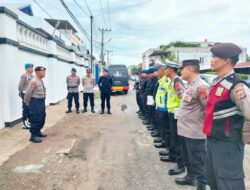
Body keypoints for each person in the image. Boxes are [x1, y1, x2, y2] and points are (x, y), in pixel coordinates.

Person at [203, 43, 250, 190]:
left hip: (228, 144)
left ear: (226, 60)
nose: (211, 59)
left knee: (229, 183)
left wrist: (244, 137)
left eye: (215, 56)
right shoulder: (217, 83)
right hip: (212, 140)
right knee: (213, 180)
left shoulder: (236, 86)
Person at [175, 59, 209, 190]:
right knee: (188, 159)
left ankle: (201, 186)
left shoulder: (202, 86)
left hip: (195, 134)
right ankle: (190, 177)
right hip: (185, 131)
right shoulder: (190, 85)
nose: (180, 72)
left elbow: (209, 110)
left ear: (189, 69)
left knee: (199, 164)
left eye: (182, 69)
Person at [161, 60, 186, 176]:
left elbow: (183, 98)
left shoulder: (177, 82)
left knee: (177, 139)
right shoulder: (172, 81)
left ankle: (181, 165)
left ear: (171, 69)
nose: (164, 70)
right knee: (173, 137)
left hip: (176, 114)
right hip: (171, 112)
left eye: (166, 68)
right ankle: (173, 156)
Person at [24, 66, 47, 143]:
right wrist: (27, 103)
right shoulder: (34, 81)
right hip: (35, 102)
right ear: (37, 72)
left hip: (41, 101)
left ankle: (38, 132)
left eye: (44, 71)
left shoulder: (40, 80)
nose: (44, 73)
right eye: (42, 71)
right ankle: (33, 136)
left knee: (42, 117)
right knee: (36, 118)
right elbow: (27, 93)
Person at [153, 63, 171, 150]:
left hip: (164, 108)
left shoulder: (167, 81)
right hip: (159, 107)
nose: (156, 72)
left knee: (166, 130)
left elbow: (169, 95)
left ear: (162, 70)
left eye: (158, 70)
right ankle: (163, 141)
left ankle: (168, 147)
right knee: (162, 128)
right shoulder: (161, 80)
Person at [18, 63, 34, 129]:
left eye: (32, 67)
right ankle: (24, 124)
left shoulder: (32, 76)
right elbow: (20, 87)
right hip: (25, 95)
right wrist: (23, 92)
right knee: (26, 108)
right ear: (27, 68)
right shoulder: (24, 76)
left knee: (30, 108)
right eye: (31, 68)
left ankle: (29, 122)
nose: (32, 69)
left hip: (31, 95)